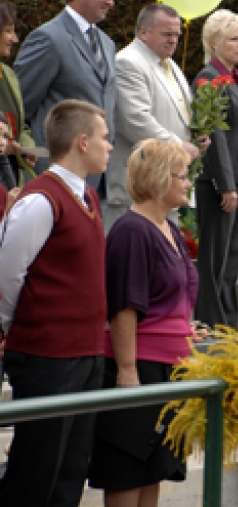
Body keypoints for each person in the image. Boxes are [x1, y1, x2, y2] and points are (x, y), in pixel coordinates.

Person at [0, 99, 112, 506]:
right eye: (104, 137)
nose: (110, 145)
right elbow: (8, 274)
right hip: (46, 354)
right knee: (35, 471)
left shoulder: (88, 198)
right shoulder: (40, 200)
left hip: (85, 352)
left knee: (70, 470)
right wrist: (23, 326)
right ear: (82, 142)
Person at [88, 139, 198, 507]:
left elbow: (169, 298)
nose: (187, 183)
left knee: (154, 470)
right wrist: (127, 371)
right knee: (128, 469)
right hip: (141, 368)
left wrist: (184, 329)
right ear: (160, 178)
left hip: (169, 366)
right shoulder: (133, 231)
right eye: (182, 176)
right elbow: (124, 307)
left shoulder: (168, 227)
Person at [14, 0, 119, 191]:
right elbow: (19, 108)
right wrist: (32, 155)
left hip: (96, 178)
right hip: (54, 173)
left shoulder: (107, 44)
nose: (111, 2)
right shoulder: (49, 39)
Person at [192, 10, 238, 330]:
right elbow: (215, 135)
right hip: (224, 183)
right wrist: (226, 184)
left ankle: (228, 326)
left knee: (233, 257)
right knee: (215, 259)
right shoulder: (209, 78)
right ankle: (212, 324)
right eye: (234, 39)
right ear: (213, 42)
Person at [106, 4, 202, 230]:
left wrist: (196, 137)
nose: (173, 40)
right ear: (143, 32)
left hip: (166, 186)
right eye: (166, 34)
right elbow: (135, 121)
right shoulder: (127, 62)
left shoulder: (171, 65)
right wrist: (180, 146)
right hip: (139, 189)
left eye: (177, 35)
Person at [0, 0, 37, 184]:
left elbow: (20, 127)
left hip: (11, 180)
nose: (15, 39)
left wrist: (26, 148)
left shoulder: (9, 75)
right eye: (8, 31)